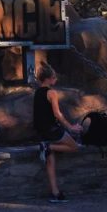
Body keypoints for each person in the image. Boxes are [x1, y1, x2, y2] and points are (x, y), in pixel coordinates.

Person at [33, 62, 81, 203]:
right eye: (54, 77)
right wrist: (71, 127)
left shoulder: (37, 92)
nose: (56, 79)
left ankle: (55, 192)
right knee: (74, 146)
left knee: (50, 161)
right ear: (47, 79)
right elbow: (57, 114)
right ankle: (49, 147)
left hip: (41, 132)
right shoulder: (52, 92)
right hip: (51, 130)